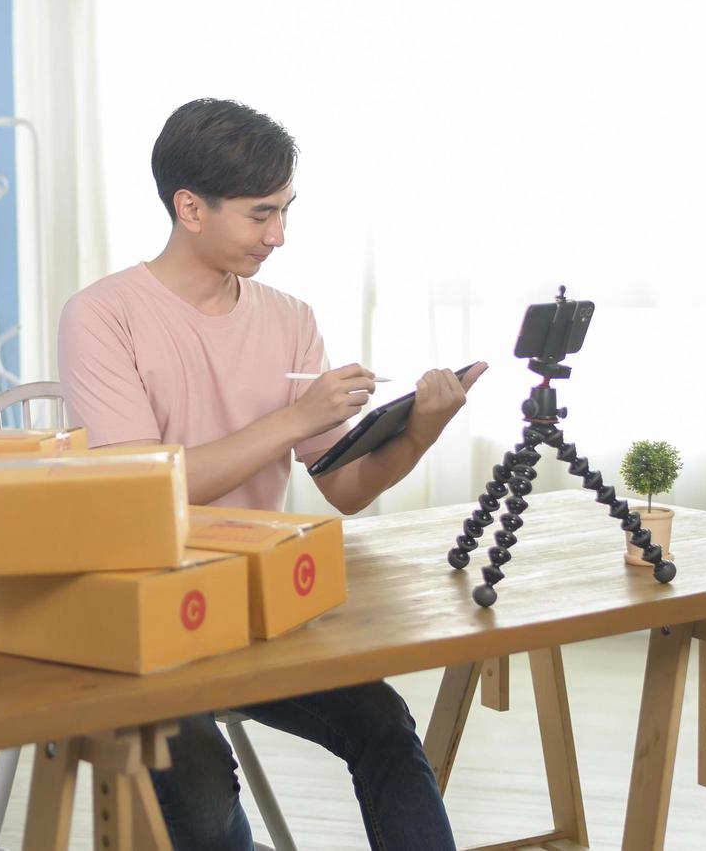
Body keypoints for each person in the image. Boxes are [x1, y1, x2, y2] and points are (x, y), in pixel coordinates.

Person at [58, 98, 487, 851]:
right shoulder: (103, 316)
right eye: (261, 215)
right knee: (193, 783)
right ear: (190, 207)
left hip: (256, 607)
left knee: (382, 723)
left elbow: (343, 488)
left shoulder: (289, 315)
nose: (279, 236)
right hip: (140, 612)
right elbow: (139, 492)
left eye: (286, 211)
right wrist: (293, 418)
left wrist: (420, 428)